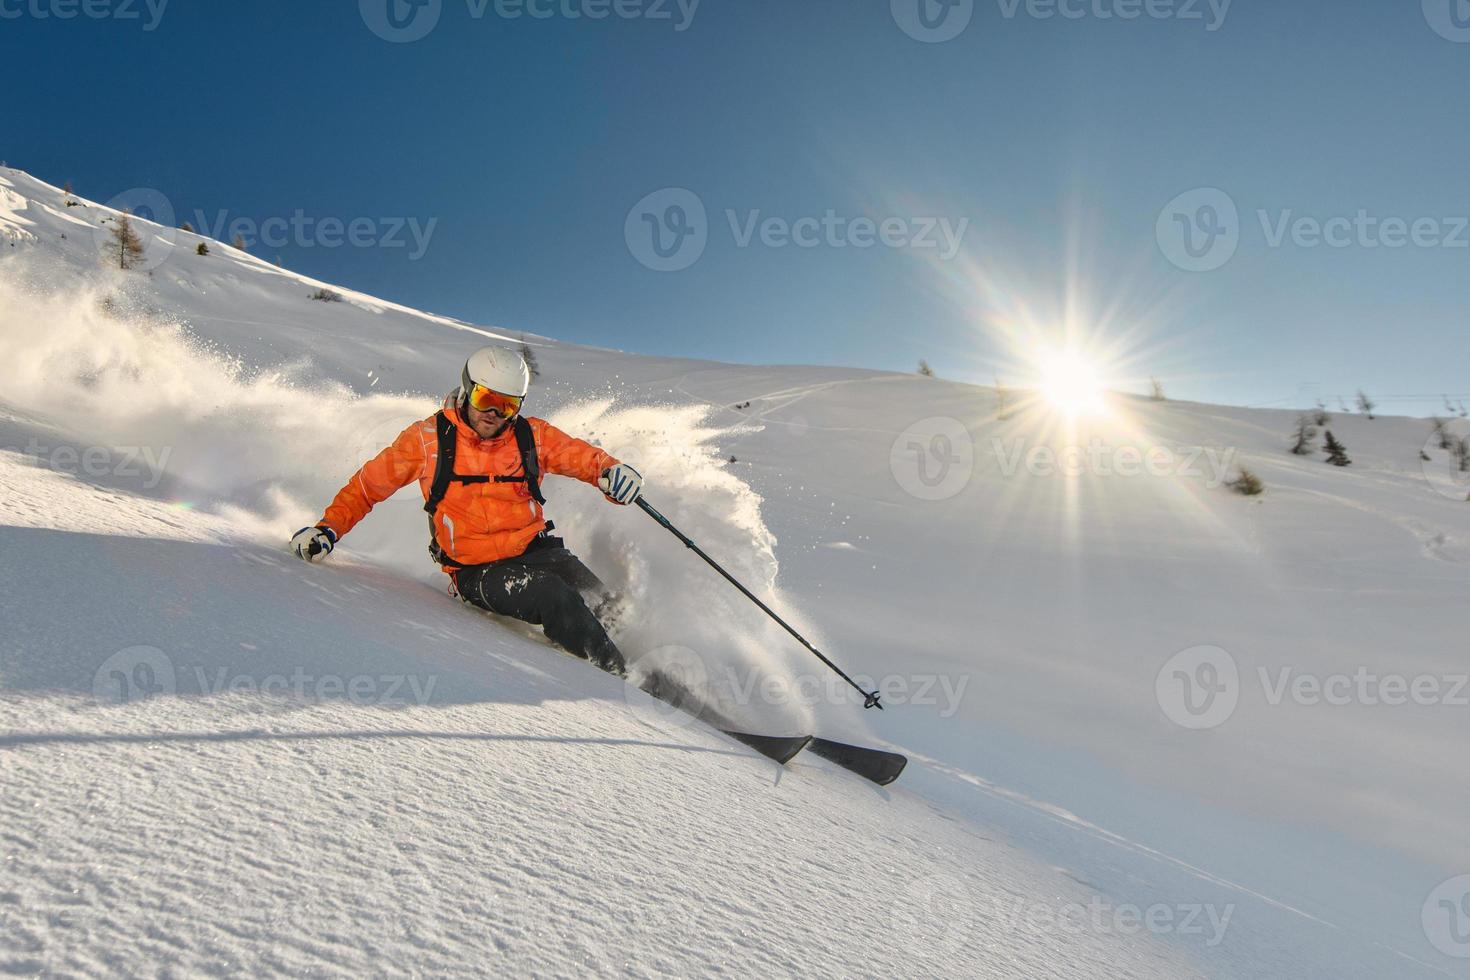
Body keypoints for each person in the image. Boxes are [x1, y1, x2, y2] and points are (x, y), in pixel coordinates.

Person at [290, 345, 643, 675]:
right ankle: (620, 676)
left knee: (604, 603)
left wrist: (611, 473)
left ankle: (647, 659)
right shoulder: (428, 440)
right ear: (466, 388)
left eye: (506, 406)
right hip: (478, 571)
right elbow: (368, 487)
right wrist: (328, 528)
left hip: (538, 551)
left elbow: (582, 458)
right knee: (554, 596)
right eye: (485, 398)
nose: (493, 413)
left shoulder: (531, 436)